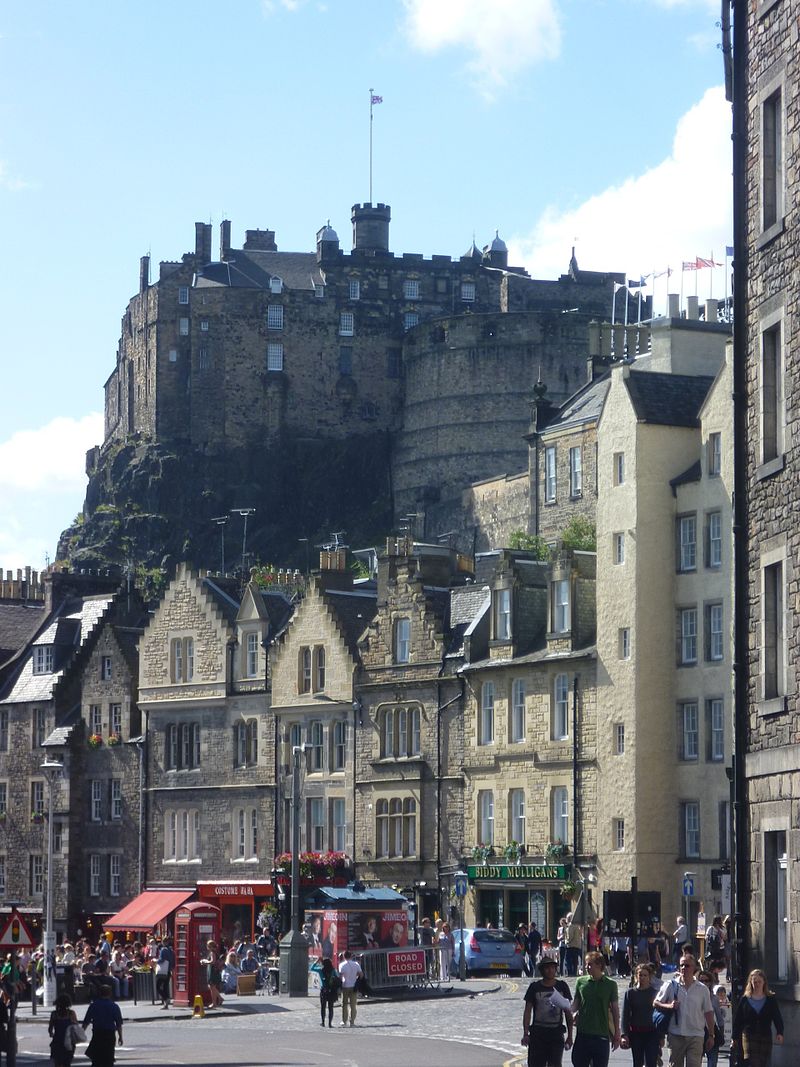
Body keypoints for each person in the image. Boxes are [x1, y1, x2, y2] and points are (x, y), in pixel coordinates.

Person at [654, 953, 714, 1067]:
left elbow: (708, 1012)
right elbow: (655, 1002)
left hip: (696, 1035)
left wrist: (711, 1035)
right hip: (676, 1034)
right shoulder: (670, 985)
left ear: (694, 968)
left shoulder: (702, 989)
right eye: (682, 965)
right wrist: (669, 1006)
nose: (683, 968)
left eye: (687, 966)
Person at [521, 955, 573, 1067]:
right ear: (542, 971)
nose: (550, 971)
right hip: (538, 1034)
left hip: (556, 1034)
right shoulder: (534, 987)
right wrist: (526, 1033)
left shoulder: (562, 986)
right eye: (547, 968)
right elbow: (527, 1011)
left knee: (555, 1064)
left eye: (552, 968)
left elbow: (568, 1012)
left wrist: (570, 1036)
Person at [570, 950, 620, 1067]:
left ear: (599, 965)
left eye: (590, 964)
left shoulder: (610, 984)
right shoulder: (581, 982)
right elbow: (576, 1004)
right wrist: (568, 1010)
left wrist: (617, 1032)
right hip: (583, 1033)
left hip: (601, 1034)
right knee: (578, 1063)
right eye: (587, 964)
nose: (587, 967)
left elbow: (615, 1009)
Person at [731, 969, 784, 1067]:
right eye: (754, 982)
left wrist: (779, 1032)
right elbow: (738, 1019)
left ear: (764, 982)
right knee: (752, 1061)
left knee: (763, 1062)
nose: (757, 984)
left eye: (759, 981)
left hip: (765, 1035)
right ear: (750, 983)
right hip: (749, 1034)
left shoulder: (770, 999)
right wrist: (734, 1037)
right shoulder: (745, 999)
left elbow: (777, 1016)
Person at [620, 964, 658, 1067]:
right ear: (636, 976)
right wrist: (624, 1034)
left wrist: (662, 1035)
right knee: (637, 1063)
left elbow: (659, 1015)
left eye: (645, 975)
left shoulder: (655, 993)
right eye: (640, 975)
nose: (642, 978)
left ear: (649, 977)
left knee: (651, 1062)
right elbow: (625, 1015)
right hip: (636, 1033)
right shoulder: (630, 993)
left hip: (652, 1033)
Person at [83, 984, 123, 1067]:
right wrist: (120, 1036)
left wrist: (81, 1032)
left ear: (99, 993)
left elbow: (86, 1021)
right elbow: (118, 1024)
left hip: (98, 1034)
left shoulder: (94, 1005)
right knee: (108, 1058)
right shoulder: (114, 1006)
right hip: (109, 1034)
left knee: (96, 1059)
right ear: (110, 993)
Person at [696, 970, 724, 1067]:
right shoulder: (693, 996)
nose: (704, 983)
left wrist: (721, 1032)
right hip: (697, 1031)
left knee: (712, 1062)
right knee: (695, 1062)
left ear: (710, 982)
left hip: (711, 1031)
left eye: (706, 981)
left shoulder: (714, 998)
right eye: (701, 981)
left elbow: (720, 1018)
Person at [49, 992, 79, 1067]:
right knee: (67, 1062)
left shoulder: (54, 1014)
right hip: (68, 1041)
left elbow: (50, 1028)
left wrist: (51, 1034)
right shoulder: (71, 1014)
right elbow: (76, 1026)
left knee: (57, 1062)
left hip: (57, 1041)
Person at [338, 950, 363, 1027]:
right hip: (354, 985)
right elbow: (361, 975)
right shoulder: (356, 964)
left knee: (344, 1004)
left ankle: (344, 1021)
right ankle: (352, 1022)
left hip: (345, 985)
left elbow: (340, 976)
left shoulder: (341, 965)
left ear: (344, 956)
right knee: (353, 1005)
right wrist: (356, 978)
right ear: (351, 956)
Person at [202, 941, 224, 1007]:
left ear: (210, 946)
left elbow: (213, 962)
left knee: (212, 986)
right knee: (211, 986)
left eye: (207, 945)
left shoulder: (212, 953)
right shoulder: (215, 952)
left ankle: (214, 1003)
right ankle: (220, 998)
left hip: (213, 971)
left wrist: (204, 961)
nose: (207, 947)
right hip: (215, 970)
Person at [318, 957, 338, 1028]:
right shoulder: (333, 970)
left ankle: (323, 1022)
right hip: (331, 991)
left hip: (324, 990)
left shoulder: (321, 970)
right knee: (330, 1007)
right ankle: (330, 1023)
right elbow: (337, 977)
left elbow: (312, 968)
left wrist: (317, 961)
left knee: (323, 1007)